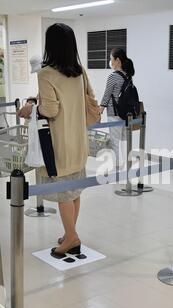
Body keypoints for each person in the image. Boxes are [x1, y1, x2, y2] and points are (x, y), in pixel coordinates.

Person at [19, 23, 98, 256]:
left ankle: (71, 238)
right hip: (79, 141)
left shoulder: (46, 73)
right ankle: (70, 232)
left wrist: (31, 107)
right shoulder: (79, 70)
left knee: (65, 192)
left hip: (59, 144)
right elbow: (88, 98)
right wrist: (36, 99)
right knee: (74, 191)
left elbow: (51, 110)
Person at [100, 48, 135, 170]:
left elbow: (106, 95)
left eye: (111, 59)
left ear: (117, 60)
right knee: (125, 140)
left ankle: (117, 168)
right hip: (126, 114)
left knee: (115, 142)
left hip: (114, 113)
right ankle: (127, 166)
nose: (110, 61)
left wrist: (100, 110)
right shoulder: (128, 75)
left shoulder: (113, 76)